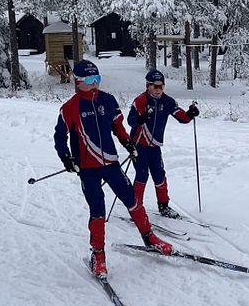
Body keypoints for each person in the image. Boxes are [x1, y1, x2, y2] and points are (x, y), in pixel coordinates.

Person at [54, 60, 172, 276]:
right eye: (89, 80)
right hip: (88, 168)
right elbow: (60, 137)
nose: (94, 84)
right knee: (97, 209)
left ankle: (149, 237)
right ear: (78, 81)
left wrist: (128, 143)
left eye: (97, 79)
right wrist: (66, 158)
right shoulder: (70, 108)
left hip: (110, 164)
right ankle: (98, 254)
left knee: (132, 200)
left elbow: (118, 127)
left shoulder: (107, 101)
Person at [127, 69, 199, 219]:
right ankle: (136, 209)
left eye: (161, 86)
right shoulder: (140, 101)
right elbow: (130, 120)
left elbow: (182, 117)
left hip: (154, 146)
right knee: (142, 175)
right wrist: (140, 119)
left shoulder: (167, 101)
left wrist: (191, 114)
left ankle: (164, 206)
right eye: (155, 86)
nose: (159, 89)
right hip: (138, 145)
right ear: (148, 86)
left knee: (159, 176)